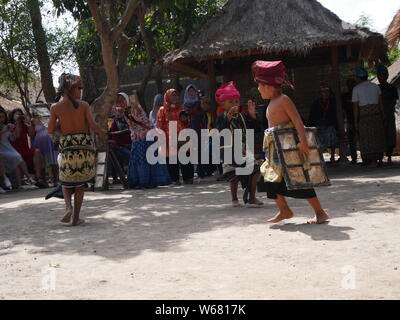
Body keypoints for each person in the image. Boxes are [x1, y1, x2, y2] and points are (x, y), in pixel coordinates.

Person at [253, 60, 329, 224]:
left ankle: (320, 212)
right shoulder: (270, 103)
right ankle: (284, 210)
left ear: (269, 86)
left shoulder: (284, 99)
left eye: (260, 86)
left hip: (289, 149)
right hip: (275, 151)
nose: (258, 89)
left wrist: (303, 141)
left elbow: (297, 121)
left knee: (300, 181)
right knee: (268, 180)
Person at [48, 73, 107, 226]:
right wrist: (103, 133)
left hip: (67, 145)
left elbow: (50, 130)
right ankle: (76, 218)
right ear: (72, 89)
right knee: (80, 184)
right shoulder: (84, 105)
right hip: (83, 146)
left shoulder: (55, 107)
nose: (80, 91)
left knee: (66, 181)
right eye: (79, 88)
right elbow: (93, 126)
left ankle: (68, 207)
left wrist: (61, 123)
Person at [215, 81, 264, 208]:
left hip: (243, 149)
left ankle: (252, 197)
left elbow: (256, 128)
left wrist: (253, 116)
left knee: (255, 170)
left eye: (236, 101)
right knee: (234, 175)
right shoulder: (221, 117)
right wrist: (228, 119)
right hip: (228, 151)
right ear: (223, 103)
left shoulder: (242, 116)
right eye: (230, 102)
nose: (234, 104)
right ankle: (234, 198)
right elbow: (220, 131)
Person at [126, 92, 171, 188]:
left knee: (148, 160)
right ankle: (142, 181)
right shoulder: (126, 112)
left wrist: (135, 104)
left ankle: (149, 181)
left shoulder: (137, 110)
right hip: (137, 140)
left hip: (147, 138)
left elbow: (141, 117)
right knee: (142, 160)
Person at [156, 89, 194, 185]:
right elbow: (160, 124)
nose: (175, 97)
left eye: (176, 95)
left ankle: (188, 178)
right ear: (167, 97)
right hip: (169, 138)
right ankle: (175, 179)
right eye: (173, 95)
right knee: (172, 159)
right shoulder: (162, 110)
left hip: (182, 137)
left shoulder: (182, 108)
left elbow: (187, 122)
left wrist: (186, 119)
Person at [352, 66, 386, 168]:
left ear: (358, 78)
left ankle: (372, 161)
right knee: (377, 136)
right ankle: (378, 159)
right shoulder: (375, 86)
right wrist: (383, 115)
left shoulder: (356, 89)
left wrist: (355, 120)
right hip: (376, 115)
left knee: (367, 138)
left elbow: (355, 108)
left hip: (364, 117)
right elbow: (380, 103)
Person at [9, 108, 47, 187]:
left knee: (37, 151)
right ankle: (29, 178)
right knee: (19, 156)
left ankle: (38, 177)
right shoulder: (10, 126)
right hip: (15, 151)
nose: (19, 116)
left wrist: (30, 123)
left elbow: (32, 135)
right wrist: (17, 124)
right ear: (12, 116)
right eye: (17, 114)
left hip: (25, 150)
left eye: (20, 114)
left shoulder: (25, 126)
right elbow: (16, 137)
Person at [0, 106, 33, 189]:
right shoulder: (4, 128)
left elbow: (14, 138)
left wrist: (14, 128)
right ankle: (28, 177)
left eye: (3, 117)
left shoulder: (7, 126)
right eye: (0, 117)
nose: (2, 119)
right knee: (17, 157)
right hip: (2, 149)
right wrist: (5, 130)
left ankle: (19, 184)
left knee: (17, 158)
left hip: (8, 148)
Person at [308, 85, 338, 163]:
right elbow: (312, 116)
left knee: (331, 131)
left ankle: (332, 157)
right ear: (320, 93)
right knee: (316, 135)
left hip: (329, 125)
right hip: (318, 126)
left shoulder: (333, 102)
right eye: (323, 91)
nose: (325, 93)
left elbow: (335, 115)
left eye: (327, 91)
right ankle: (319, 156)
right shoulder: (316, 103)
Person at [377, 65, 399, 165]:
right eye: (380, 75)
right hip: (379, 115)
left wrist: (387, 112)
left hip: (389, 114)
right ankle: (380, 158)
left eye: (383, 75)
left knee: (390, 135)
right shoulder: (376, 88)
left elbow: (394, 101)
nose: (381, 77)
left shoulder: (392, 88)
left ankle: (389, 156)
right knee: (380, 135)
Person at [108, 92, 132, 184]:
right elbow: (111, 133)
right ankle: (115, 178)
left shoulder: (131, 115)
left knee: (131, 154)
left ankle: (132, 176)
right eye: (119, 101)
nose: (121, 103)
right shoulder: (113, 118)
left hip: (131, 143)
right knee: (117, 154)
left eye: (123, 100)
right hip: (118, 146)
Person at [31, 111, 59, 186]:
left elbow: (55, 127)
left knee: (54, 160)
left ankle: (56, 180)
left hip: (51, 140)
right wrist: (32, 124)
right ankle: (43, 181)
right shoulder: (34, 120)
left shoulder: (50, 117)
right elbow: (32, 134)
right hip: (40, 142)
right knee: (42, 161)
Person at [342, 78, 357, 163]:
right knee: (351, 139)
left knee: (361, 138)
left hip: (358, 119)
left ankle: (366, 157)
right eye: (349, 84)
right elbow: (343, 109)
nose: (351, 86)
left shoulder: (358, 94)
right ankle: (354, 158)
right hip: (349, 120)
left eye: (352, 84)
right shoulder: (345, 96)